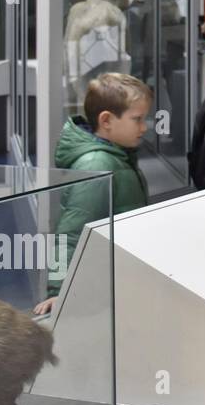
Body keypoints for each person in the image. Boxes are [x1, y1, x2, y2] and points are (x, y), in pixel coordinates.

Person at [34, 73, 152, 315]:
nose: (144, 127)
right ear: (107, 120)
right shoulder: (96, 164)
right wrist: (60, 291)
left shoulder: (117, 155)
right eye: (137, 119)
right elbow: (71, 232)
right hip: (102, 287)